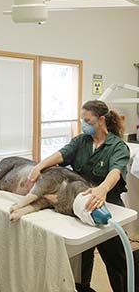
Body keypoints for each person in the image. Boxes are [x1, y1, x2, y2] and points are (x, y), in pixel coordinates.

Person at [27, 100, 130, 292]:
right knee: (82, 256)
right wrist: (39, 166)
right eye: (82, 119)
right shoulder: (81, 141)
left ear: (101, 120)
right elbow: (61, 154)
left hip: (107, 205)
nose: (84, 123)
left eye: (87, 120)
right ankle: (83, 288)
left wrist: (102, 189)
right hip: (80, 204)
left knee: (115, 260)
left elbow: (115, 172)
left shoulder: (117, 146)